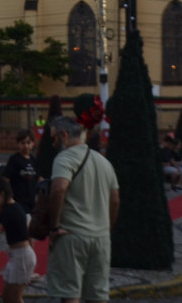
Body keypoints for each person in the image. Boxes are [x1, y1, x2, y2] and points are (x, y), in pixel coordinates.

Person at [45, 116, 119, 303]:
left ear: (64, 135)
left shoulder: (64, 158)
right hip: (101, 239)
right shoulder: (104, 162)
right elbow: (115, 201)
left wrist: (53, 227)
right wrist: (107, 229)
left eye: (53, 138)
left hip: (72, 236)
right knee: (98, 295)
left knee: (70, 294)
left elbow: (59, 188)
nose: (52, 143)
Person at [2, 129, 38, 215]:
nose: (26, 145)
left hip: (32, 202)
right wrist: (8, 197)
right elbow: (6, 179)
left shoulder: (33, 160)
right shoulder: (14, 159)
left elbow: (38, 178)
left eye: (28, 142)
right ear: (18, 144)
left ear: (32, 143)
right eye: (23, 143)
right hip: (19, 201)